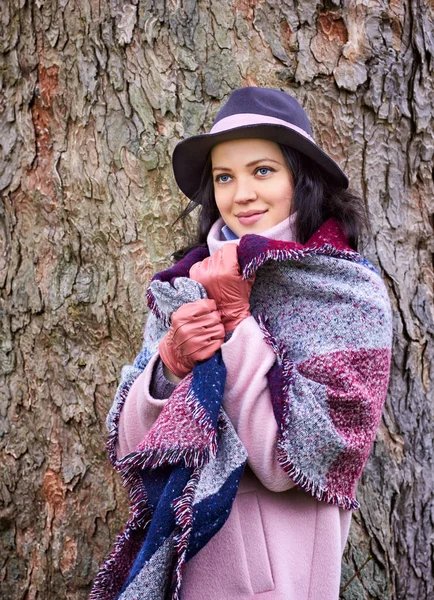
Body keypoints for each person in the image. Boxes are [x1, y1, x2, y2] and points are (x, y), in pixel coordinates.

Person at [90, 87, 393, 600]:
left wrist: (237, 324)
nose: (242, 194)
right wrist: (168, 368)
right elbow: (129, 446)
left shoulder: (347, 291)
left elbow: (294, 465)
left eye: (262, 171)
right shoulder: (184, 286)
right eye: (225, 177)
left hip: (282, 581)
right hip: (182, 569)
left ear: (301, 177)